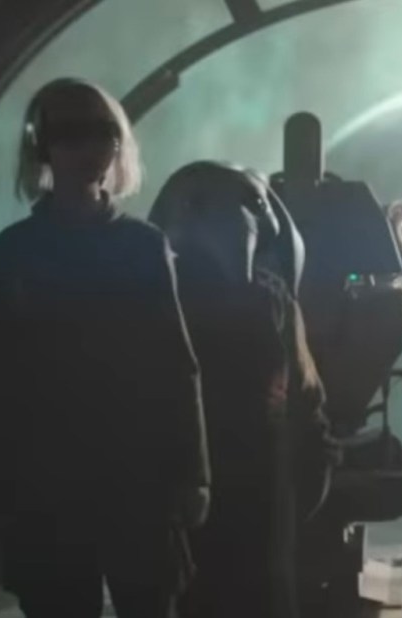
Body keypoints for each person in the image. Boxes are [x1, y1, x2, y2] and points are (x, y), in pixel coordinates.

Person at [0, 78, 209, 618]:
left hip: (129, 480)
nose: (91, 148)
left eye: (101, 133)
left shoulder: (141, 246)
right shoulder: (13, 254)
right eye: (73, 134)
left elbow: (175, 367)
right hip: (55, 487)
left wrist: (192, 476)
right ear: (43, 147)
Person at [148, 162, 330, 618]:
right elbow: (308, 403)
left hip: (230, 495)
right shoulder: (274, 301)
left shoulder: (269, 302)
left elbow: (306, 404)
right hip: (233, 496)